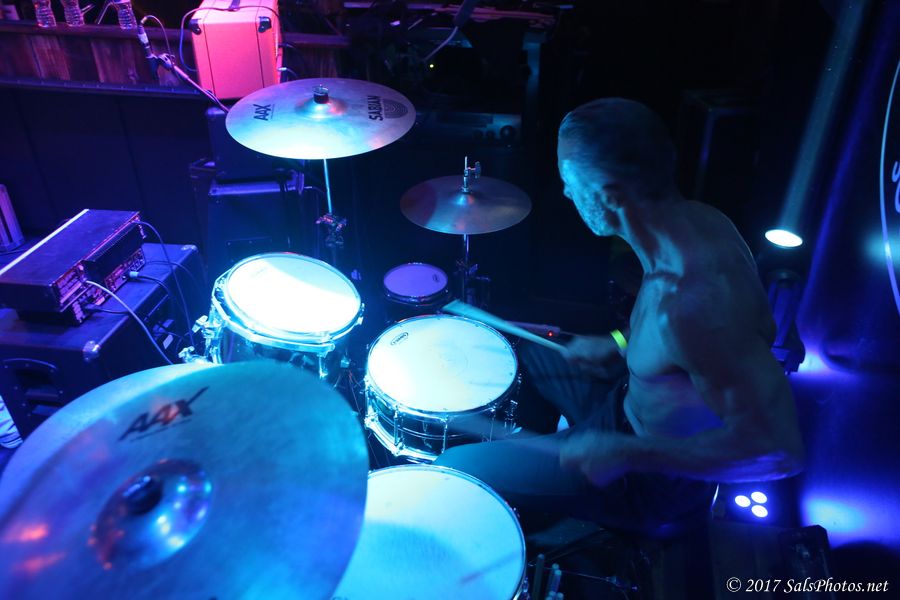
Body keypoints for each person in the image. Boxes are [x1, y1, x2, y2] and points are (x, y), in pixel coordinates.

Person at [434, 98, 805, 533]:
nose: (567, 193)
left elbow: (779, 451)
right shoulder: (699, 222)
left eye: (569, 181)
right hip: (624, 406)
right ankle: (546, 474)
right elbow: (670, 344)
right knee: (522, 352)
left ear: (608, 195)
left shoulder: (695, 304)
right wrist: (618, 342)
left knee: (454, 467)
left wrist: (627, 454)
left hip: (648, 477)